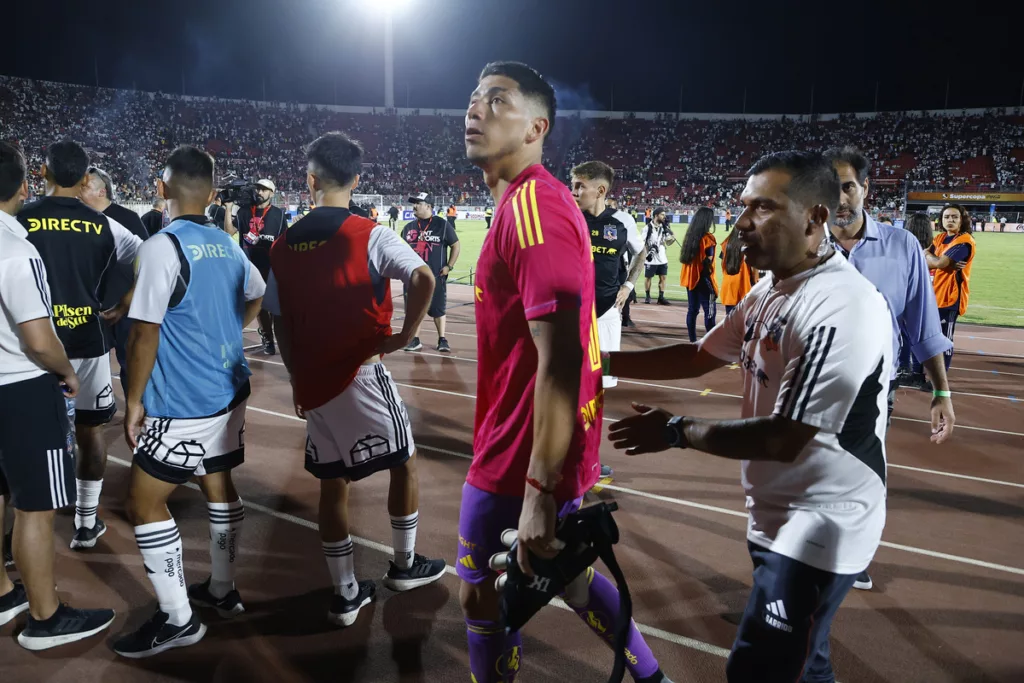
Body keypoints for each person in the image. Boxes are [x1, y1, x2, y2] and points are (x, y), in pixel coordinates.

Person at [604, 151, 892, 683]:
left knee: (758, 669)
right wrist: (594, 361)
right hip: (778, 507)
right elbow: (698, 357)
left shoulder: (840, 306)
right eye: (743, 206)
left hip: (824, 517)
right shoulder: (773, 288)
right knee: (805, 664)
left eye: (762, 208)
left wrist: (675, 430)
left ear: (814, 218)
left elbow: (786, 437)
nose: (741, 223)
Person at [460, 61, 671, 683]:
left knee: (482, 598)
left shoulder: (535, 210)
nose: (476, 110)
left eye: (497, 100)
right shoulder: (530, 205)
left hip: (518, 455)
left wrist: (538, 492)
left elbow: (561, 360)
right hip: (542, 447)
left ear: (536, 127)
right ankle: (653, 678)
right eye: (473, 99)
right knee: (573, 581)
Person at [265, 132, 446, 628]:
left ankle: (345, 593)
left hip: (314, 382)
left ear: (309, 181)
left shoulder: (282, 245)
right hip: (363, 373)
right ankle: (405, 566)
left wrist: (296, 377)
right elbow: (424, 278)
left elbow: (277, 320)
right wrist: (406, 335)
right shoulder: (372, 234)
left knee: (332, 482)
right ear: (357, 180)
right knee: (405, 464)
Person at [110, 146, 265, 658]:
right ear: (214, 195)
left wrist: (133, 401)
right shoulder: (226, 242)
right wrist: (229, 330)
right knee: (218, 482)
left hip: (184, 400)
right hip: (230, 388)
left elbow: (143, 335)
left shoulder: (161, 246)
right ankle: (222, 589)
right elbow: (258, 291)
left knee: (144, 502)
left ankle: (178, 619)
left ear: (161, 189)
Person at [0, 141, 116, 651]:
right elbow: (38, 338)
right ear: (24, 183)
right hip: (22, 388)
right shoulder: (15, 248)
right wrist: (67, 372)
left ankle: (4, 592)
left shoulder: (26, 228)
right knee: (37, 506)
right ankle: (45, 619)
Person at [824, 147, 955, 592]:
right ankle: (805, 560)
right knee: (807, 471)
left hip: (875, 388)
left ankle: (852, 555)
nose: (839, 198)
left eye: (847, 186)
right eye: (829, 187)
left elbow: (924, 327)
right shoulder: (802, 245)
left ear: (865, 189)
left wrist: (942, 393)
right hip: (809, 383)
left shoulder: (902, 249)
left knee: (862, 471)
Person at [17, 140, 142, 551]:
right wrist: (125, 301)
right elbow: (151, 259)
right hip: (87, 341)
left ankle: (18, 536)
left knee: (25, 436)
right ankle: (86, 524)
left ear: (42, 174)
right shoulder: (104, 225)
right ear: (86, 178)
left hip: (30, 346)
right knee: (91, 433)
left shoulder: (19, 219)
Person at [570, 160, 645, 391]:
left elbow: (640, 252)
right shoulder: (568, 217)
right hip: (569, 313)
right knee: (568, 380)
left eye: (580, 186)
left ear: (600, 190)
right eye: (573, 185)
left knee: (603, 381)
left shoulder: (623, 221)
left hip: (607, 310)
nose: (574, 192)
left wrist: (628, 287)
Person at [80, 166, 151, 400]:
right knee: (89, 363)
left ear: (101, 192)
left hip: (124, 306)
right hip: (92, 306)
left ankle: (137, 407)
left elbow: (147, 262)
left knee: (129, 361)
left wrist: (128, 300)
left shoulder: (127, 218)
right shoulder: (79, 220)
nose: (79, 191)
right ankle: (95, 411)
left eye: (85, 186)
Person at [225, 178, 286, 355]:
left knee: (274, 305)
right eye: (258, 189)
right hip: (250, 265)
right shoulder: (244, 212)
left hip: (272, 265)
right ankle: (267, 337)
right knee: (257, 304)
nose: (260, 192)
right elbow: (229, 232)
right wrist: (228, 209)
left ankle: (277, 336)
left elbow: (283, 240)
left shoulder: (279, 214)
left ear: (271, 193)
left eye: (264, 190)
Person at [400, 192, 461, 353]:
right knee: (414, 309)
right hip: (412, 277)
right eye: (414, 203)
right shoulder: (408, 228)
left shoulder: (442, 225)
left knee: (438, 309)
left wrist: (449, 266)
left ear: (428, 206)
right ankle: (415, 340)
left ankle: (442, 339)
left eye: (418, 203)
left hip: (435, 276)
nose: (414, 206)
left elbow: (455, 245)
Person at [922, 204, 975, 376]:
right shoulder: (940, 238)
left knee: (945, 340)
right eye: (946, 217)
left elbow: (939, 263)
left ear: (962, 220)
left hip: (950, 298)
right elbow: (926, 257)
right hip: (934, 296)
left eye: (954, 217)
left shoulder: (964, 241)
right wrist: (933, 259)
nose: (950, 220)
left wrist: (931, 258)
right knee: (930, 338)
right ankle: (931, 373)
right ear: (941, 220)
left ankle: (940, 378)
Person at [895, 213, 937, 380]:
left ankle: (904, 366)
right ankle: (918, 371)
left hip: (905, 292)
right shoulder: (934, 248)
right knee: (921, 333)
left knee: (903, 331)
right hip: (928, 293)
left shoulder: (903, 245)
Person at [678, 207, 719, 342]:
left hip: (691, 279)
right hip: (704, 279)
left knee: (692, 310)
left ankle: (692, 341)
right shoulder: (708, 239)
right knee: (710, 311)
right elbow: (709, 261)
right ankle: (711, 342)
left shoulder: (690, 237)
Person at [719, 227, 758, 315]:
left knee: (730, 318)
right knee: (744, 319)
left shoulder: (726, 243)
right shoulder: (748, 245)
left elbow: (722, 264)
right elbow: (754, 267)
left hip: (728, 284)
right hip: (743, 284)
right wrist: (755, 282)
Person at [642, 208, 675, 304]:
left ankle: (661, 297)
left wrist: (672, 236)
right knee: (648, 277)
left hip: (662, 257)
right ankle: (648, 296)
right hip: (650, 258)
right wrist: (648, 251)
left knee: (663, 277)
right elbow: (642, 243)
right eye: (662, 214)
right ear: (656, 215)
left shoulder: (664, 228)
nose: (664, 217)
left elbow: (668, 243)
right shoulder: (647, 228)